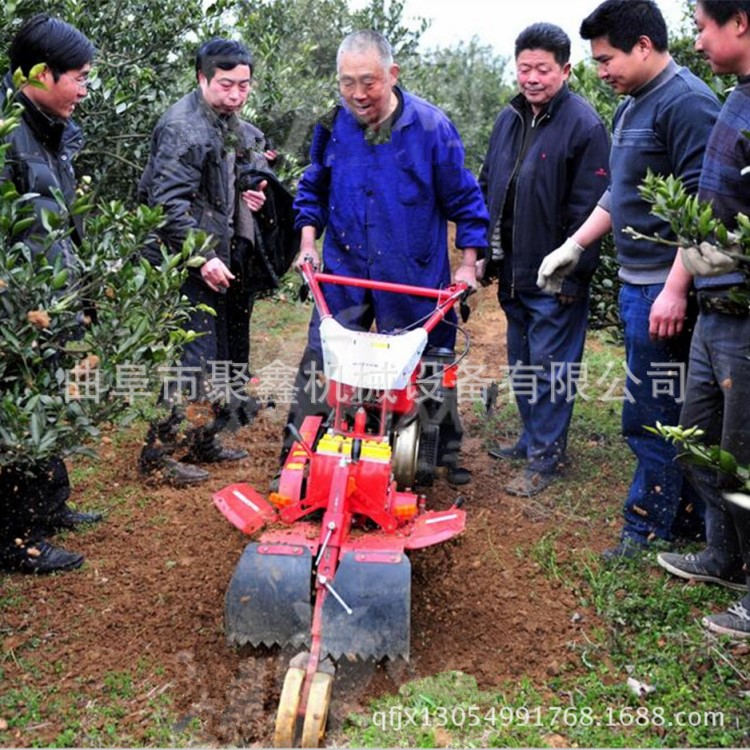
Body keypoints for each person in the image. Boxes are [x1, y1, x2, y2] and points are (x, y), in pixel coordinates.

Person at [536, 0, 720, 558]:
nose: (602, 70)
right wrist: (574, 244)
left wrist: (674, 287)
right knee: (663, 402)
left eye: (608, 58)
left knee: (654, 411)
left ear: (644, 46)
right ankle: (685, 516)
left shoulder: (686, 104)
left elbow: (702, 206)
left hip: (661, 287)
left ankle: (648, 527)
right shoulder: (631, 105)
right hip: (637, 282)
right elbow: (622, 192)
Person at [286, 30, 489, 485]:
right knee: (323, 361)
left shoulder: (432, 128)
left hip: (413, 270)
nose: (358, 94)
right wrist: (306, 244)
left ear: (393, 75)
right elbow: (312, 189)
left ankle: (437, 456)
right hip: (346, 270)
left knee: (431, 363)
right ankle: (300, 456)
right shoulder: (330, 126)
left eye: (369, 82)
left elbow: (465, 200)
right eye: (347, 83)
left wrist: (468, 262)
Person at [137, 38, 279, 486]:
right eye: (225, 85)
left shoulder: (231, 125)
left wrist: (249, 194)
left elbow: (222, 186)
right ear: (202, 79)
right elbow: (166, 205)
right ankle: (158, 453)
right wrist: (200, 259)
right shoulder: (182, 127)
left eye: (244, 86)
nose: (235, 95)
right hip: (182, 258)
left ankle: (204, 439)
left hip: (220, 255)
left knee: (221, 355)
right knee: (191, 356)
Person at [479, 23, 610, 497]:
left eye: (543, 69)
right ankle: (533, 440)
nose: (532, 78)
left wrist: (574, 271)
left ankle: (544, 459)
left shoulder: (583, 124)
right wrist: (483, 252)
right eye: (524, 68)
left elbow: (593, 207)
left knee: (553, 368)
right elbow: (488, 183)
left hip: (556, 276)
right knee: (524, 363)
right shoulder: (509, 118)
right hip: (514, 269)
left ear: (566, 70)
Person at [655, 0, 750, 639]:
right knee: (697, 441)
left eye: (699, 24)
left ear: (739, 21)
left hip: (744, 315)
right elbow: (710, 209)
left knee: (742, 460)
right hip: (714, 309)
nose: (695, 38)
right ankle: (723, 555)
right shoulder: (736, 97)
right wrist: (685, 280)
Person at [0, 14, 102, 574]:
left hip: (51, 301)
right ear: (41, 73)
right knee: (20, 411)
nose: (84, 90)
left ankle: (49, 502)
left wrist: (82, 292)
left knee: (49, 401)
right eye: (79, 77)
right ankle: (17, 536)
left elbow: (61, 223)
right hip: (19, 309)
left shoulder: (49, 130)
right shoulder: (7, 134)